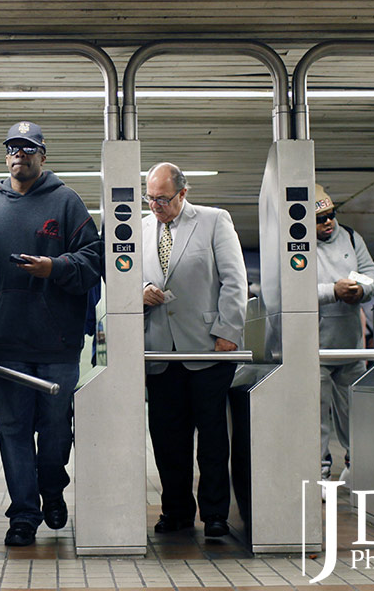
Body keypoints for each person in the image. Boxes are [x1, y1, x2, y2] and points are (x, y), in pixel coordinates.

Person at [0, 121, 102, 547]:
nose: (20, 155)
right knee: (12, 431)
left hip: (57, 343)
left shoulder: (66, 202)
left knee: (54, 431)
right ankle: (24, 515)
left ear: (43, 156)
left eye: (28, 149)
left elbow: (93, 260)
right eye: (13, 148)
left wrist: (54, 268)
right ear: (6, 156)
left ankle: (52, 487)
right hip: (8, 342)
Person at [141, 162, 247, 538]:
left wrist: (228, 332)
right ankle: (176, 511)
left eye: (162, 199)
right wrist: (140, 291)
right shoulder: (140, 228)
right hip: (159, 351)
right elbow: (123, 276)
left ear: (183, 193)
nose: (155, 206)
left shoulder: (214, 220)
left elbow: (234, 279)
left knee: (212, 438)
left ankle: (215, 514)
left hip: (207, 347)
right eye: (150, 199)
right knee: (168, 438)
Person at [315, 184, 374, 483]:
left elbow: (372, 274)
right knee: (316, 416)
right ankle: (319, 470)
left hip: (350, 344)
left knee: (354, 412)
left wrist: (361, 290)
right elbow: (288, 292)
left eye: (332, 214)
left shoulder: (351, 237)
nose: (328, 222)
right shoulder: (296, 244)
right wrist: (333, 291)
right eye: (320, 219)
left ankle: (358, 466)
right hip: (314, 346)